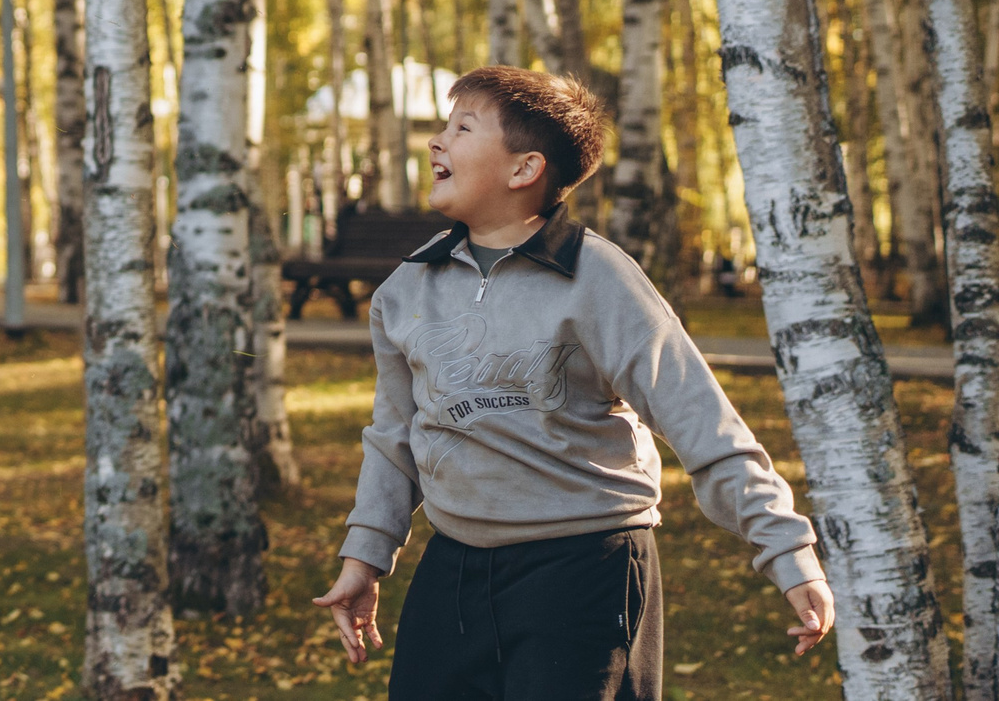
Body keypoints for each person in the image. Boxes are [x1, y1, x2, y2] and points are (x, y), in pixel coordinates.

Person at [313, 65, 836, 700]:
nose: (436, 141)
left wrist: (786, 548)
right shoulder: (404, 290)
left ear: (523, 169)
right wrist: (364, 556)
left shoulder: (599, 280)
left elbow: (700, 419)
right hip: (452, 566)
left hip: (585, 568)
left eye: (462, 128)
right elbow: (395, 437)